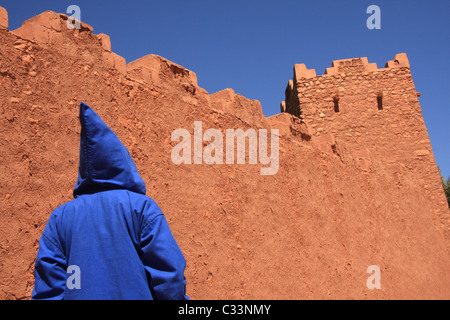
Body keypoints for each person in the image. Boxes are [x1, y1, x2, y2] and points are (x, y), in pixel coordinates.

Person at [32, 102, 189, 300]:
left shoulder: (60, 218)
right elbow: (169, 276)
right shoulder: (141, 208)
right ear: (121, 162)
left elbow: (48, 287)